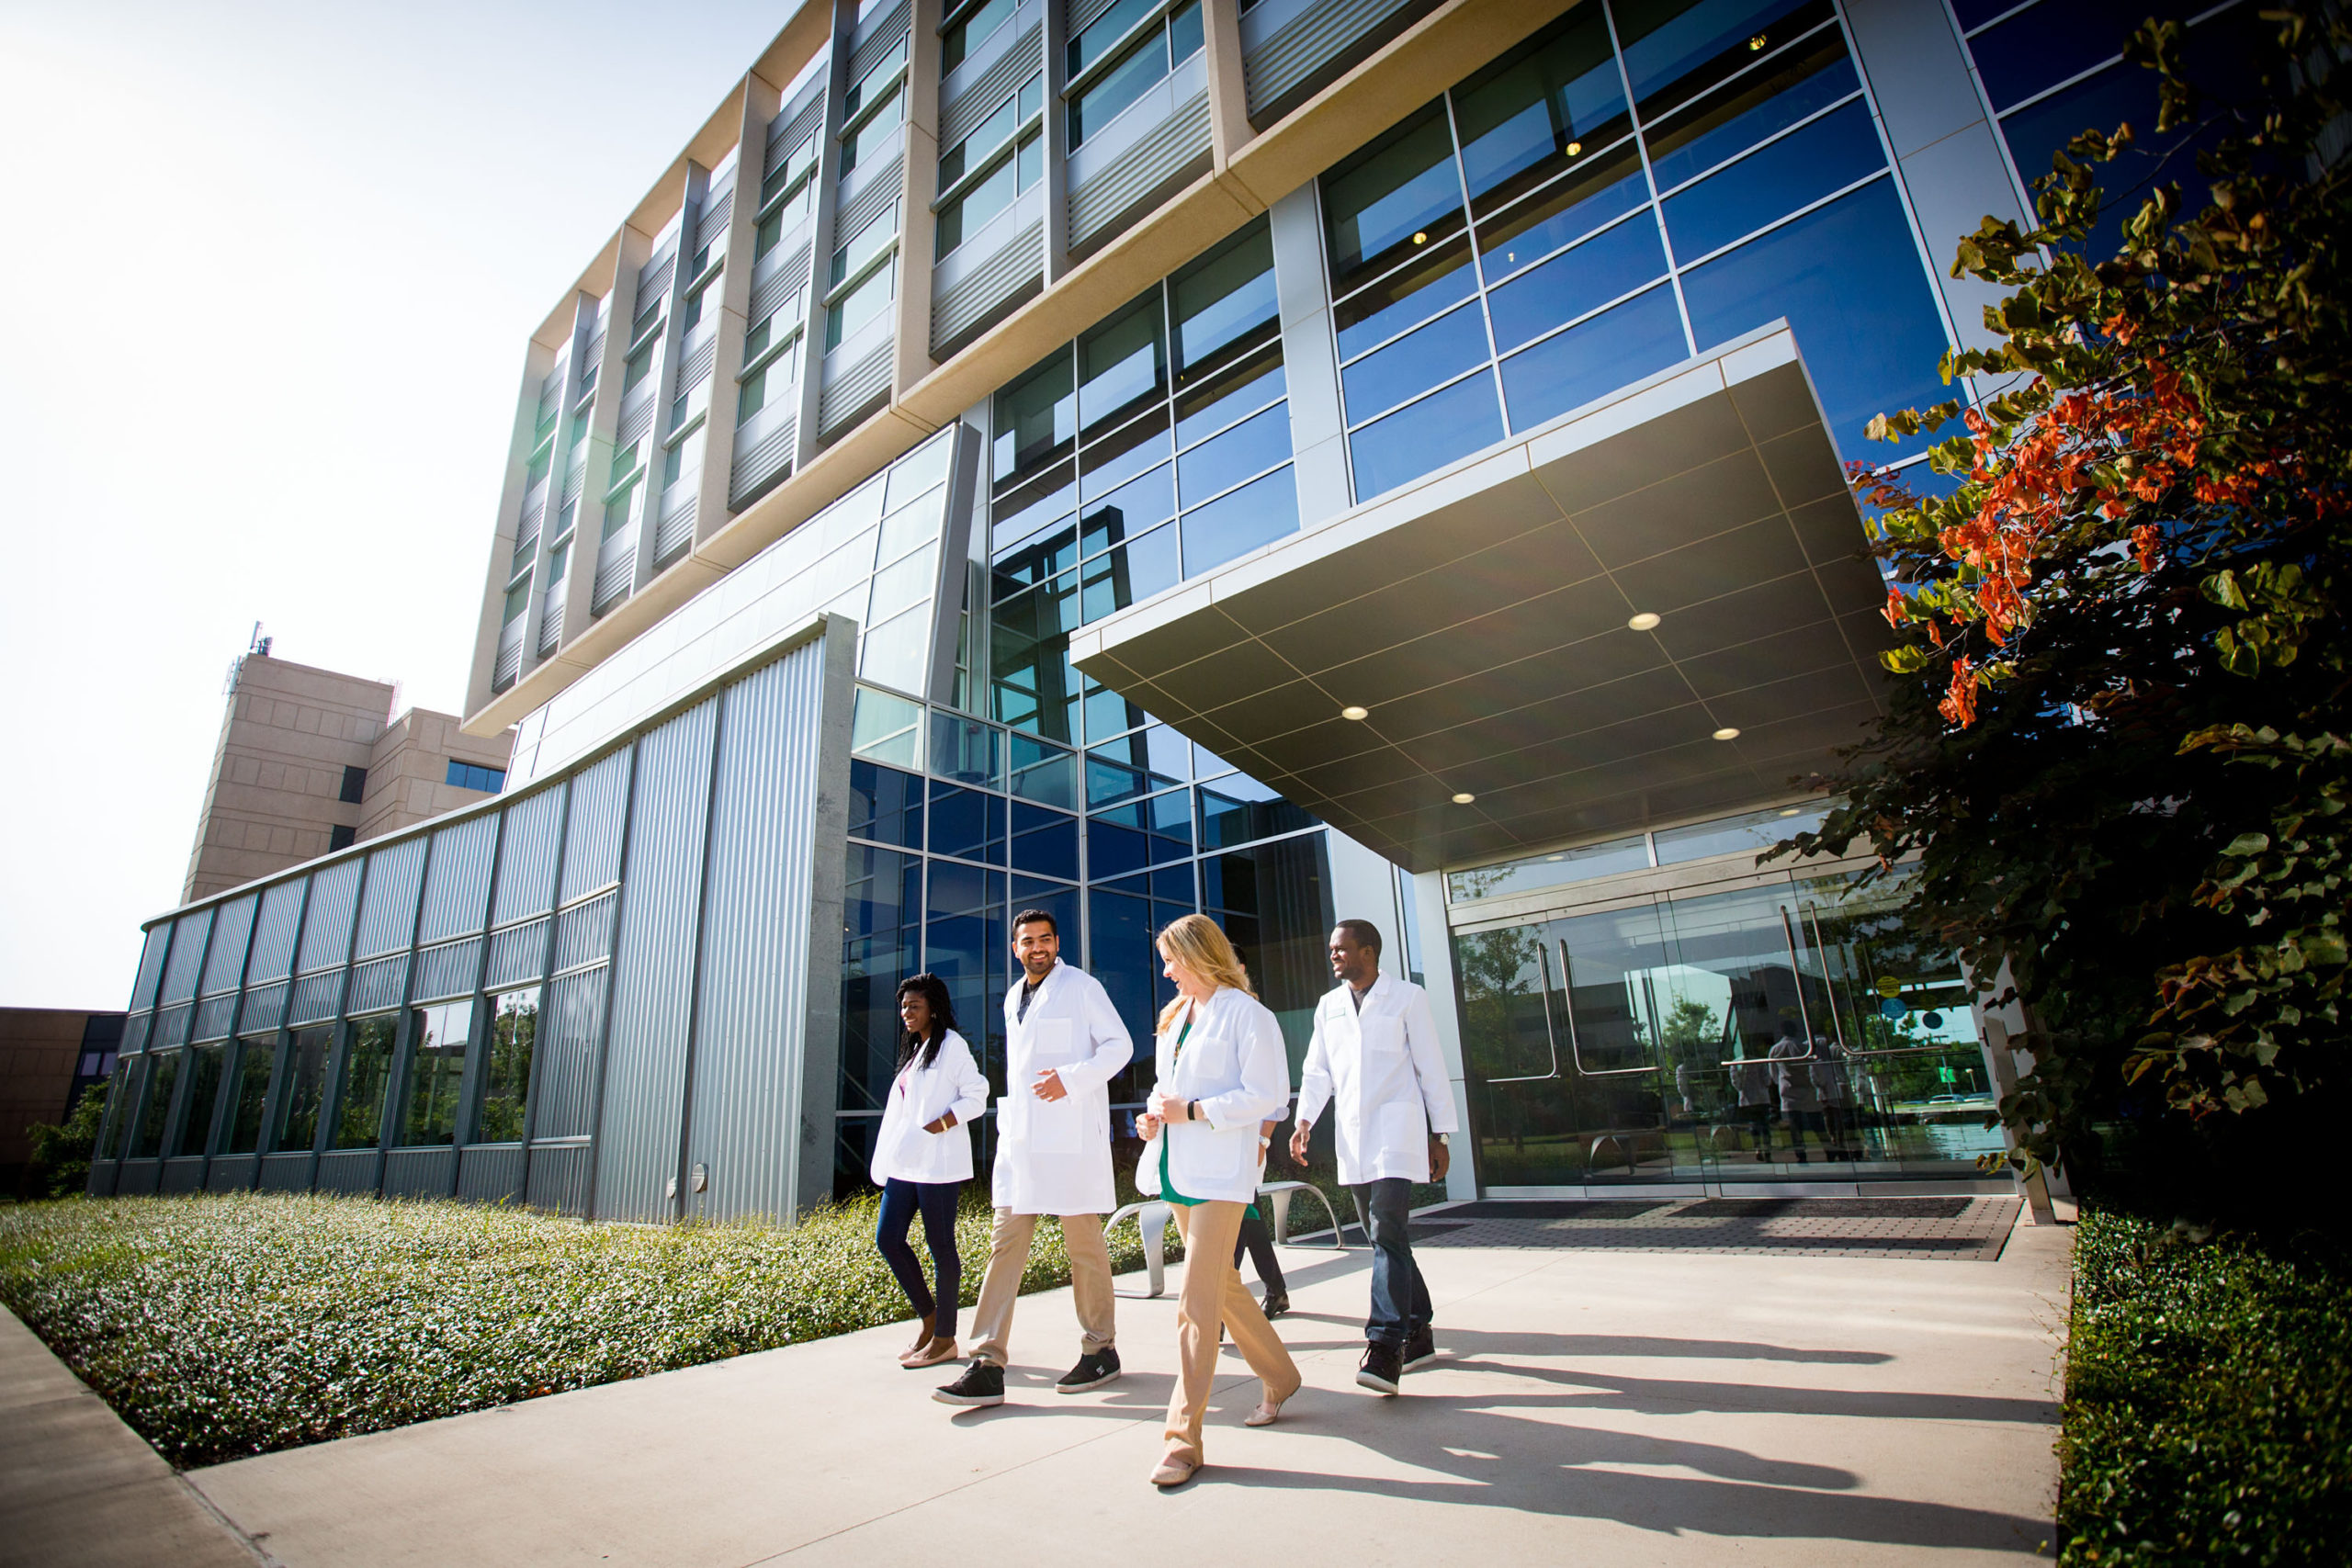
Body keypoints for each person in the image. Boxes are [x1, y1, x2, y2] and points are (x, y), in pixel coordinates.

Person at [934, 909, 1133, 1409]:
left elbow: (1120, 1046)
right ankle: (987, 1361)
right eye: (1028, 941)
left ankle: (1101, 1348)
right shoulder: (1011, 998)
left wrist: (1071, 1079)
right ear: (1015, 948)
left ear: (1057, 942)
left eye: (1045, 939)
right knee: (1005, 1246)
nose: (1037, 947)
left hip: (1069, 1142)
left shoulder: (1082, 987)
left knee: (1084, 1251)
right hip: (1022, 1144)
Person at [1136, 913, 1300, 1487]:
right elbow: (1168, 1089)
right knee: (1222, 1288)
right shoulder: (1177, 1017)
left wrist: (1197, 1112)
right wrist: (1154, 1116)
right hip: (1176, 1167)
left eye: (1171, 960)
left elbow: (1268, 1094)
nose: (1166, 971)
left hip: (1221, 1175)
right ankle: (1280, 1375)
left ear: (1199, 955)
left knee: (1196, 1302)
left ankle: (1183, 1440)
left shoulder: (1249, 1016)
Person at [1290, 919, 1457, 1397]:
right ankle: (1419, 1328)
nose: (1333, 956)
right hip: (1354, 1136)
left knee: (1386, 1230)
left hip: (1398, 1133)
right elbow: (1317, 1069)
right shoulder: (1329, 1006)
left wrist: (1439, 1134)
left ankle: (1385, 1346)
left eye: (1341, 949)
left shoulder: (1407, 997)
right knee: (1385, 1236)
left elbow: (1430, 1065)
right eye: (1331, 949)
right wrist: (1303, 1123)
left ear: (1369, 951)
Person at [871, 974, 989, 1370]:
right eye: (903, 1006)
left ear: (933, 1009)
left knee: (942, 1249)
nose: (906, 1012)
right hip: (906, 1164)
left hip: (938, 1164)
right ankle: (930, 1317)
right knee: (888, 1238)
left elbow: (977, 1095)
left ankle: (945, 1338)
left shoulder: (952, 1046)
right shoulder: (915, 1050)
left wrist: (936, 1127)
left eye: (914, 1006)